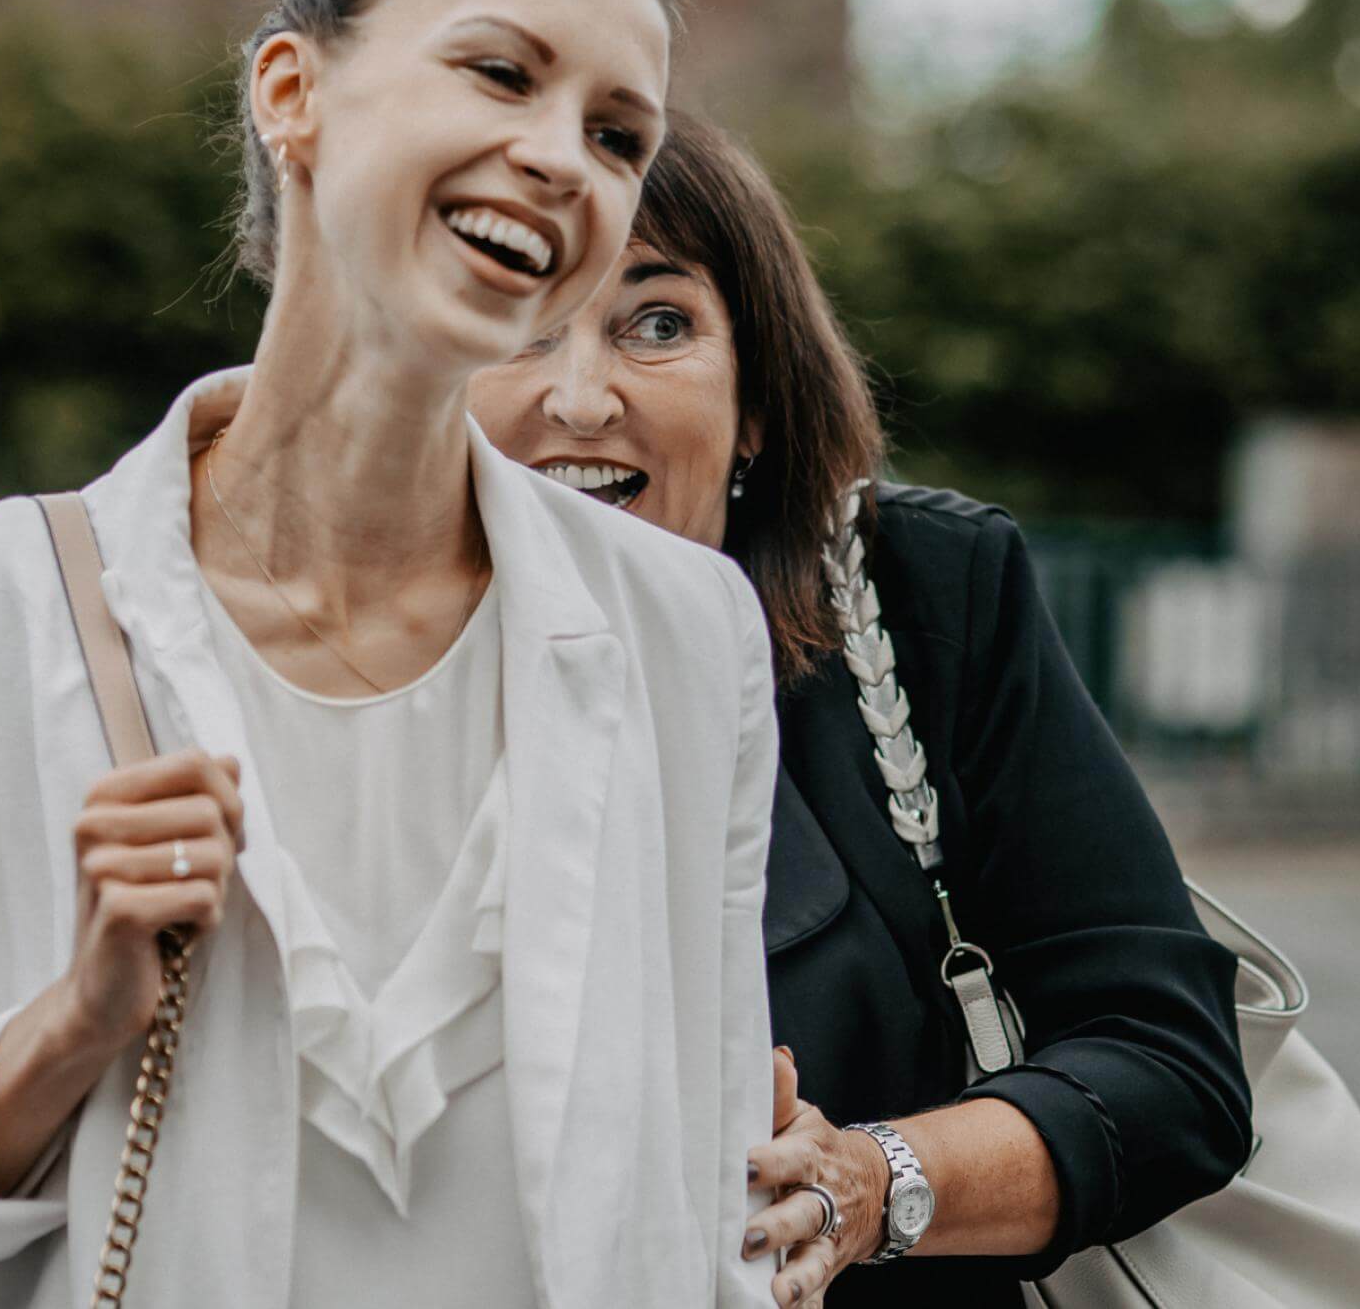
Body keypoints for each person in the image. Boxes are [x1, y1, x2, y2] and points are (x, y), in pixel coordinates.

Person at [0, 0, 783, 1307]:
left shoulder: (686, 634)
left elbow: (713, 1217)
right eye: (501, 73)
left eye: (617, 135)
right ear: (293, 93)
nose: (559, 158)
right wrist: (74, 1023)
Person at [469, 113, 1254, 1308]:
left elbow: (1166, 1063)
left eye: (658, 322)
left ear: (758, 407)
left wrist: (879, 1181)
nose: (580, 397)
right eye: (517, 326)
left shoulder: (922, 599)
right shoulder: (308, 650)